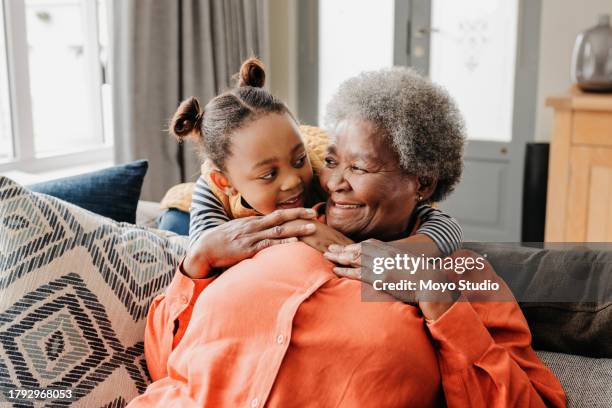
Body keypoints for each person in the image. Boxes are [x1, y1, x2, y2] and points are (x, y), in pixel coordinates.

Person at [128, 67, 565, 407]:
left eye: (359, 168)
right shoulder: (263, 230)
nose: (334, 182)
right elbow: (165, 361)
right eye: (332, 162)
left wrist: (434, 298)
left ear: (423, 184)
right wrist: (196, 262)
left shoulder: (461, 277)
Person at [169, 58, 463, 262]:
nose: (293, 181)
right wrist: (301, 234)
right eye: (269, 174)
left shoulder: (324, 168)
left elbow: (443, 225)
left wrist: (393, 261)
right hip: (183, 211)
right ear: (228, 181)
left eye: (298, 161)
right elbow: (207, 252)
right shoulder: (215, 189)